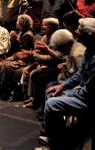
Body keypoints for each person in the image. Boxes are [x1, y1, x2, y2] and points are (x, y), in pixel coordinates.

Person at [37, 18, 95, 150]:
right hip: (84, 93)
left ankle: (56, 145)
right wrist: (63, 86)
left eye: (79, 30)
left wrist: (70, 94)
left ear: (88, 35)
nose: (76, 31)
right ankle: (57, 136)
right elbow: (79, 74)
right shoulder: (89, 50)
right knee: (51, 91)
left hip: (90, 100)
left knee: (53, 103)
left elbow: (88, 91)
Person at [0, 14, 35, 101]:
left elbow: (23, 50)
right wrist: (13, 40)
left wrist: (15, 40)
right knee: (2, 63)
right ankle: (2, 90)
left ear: (22, 23)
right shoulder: (22, 33)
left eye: (18, 21)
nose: (16, 23)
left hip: (26, 59)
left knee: (7, 66)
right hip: (19, 55)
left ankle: (9, 90)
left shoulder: (27, 35)